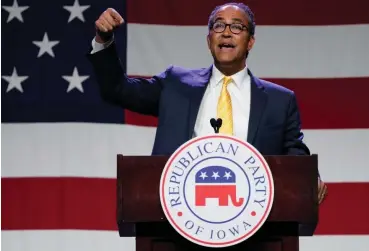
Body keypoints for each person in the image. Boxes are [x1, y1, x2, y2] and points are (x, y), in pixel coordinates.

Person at [86, 3, 327, 203]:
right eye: (218, 25)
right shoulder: (176, 84)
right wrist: (104, 39)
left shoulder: (279, 100)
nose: (226, 32)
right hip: (178, 216)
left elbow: (294, 152)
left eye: (237, 27)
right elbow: (118, 90)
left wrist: (308, 178)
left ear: (250, 42)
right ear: (209, 39)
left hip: (252, 221)